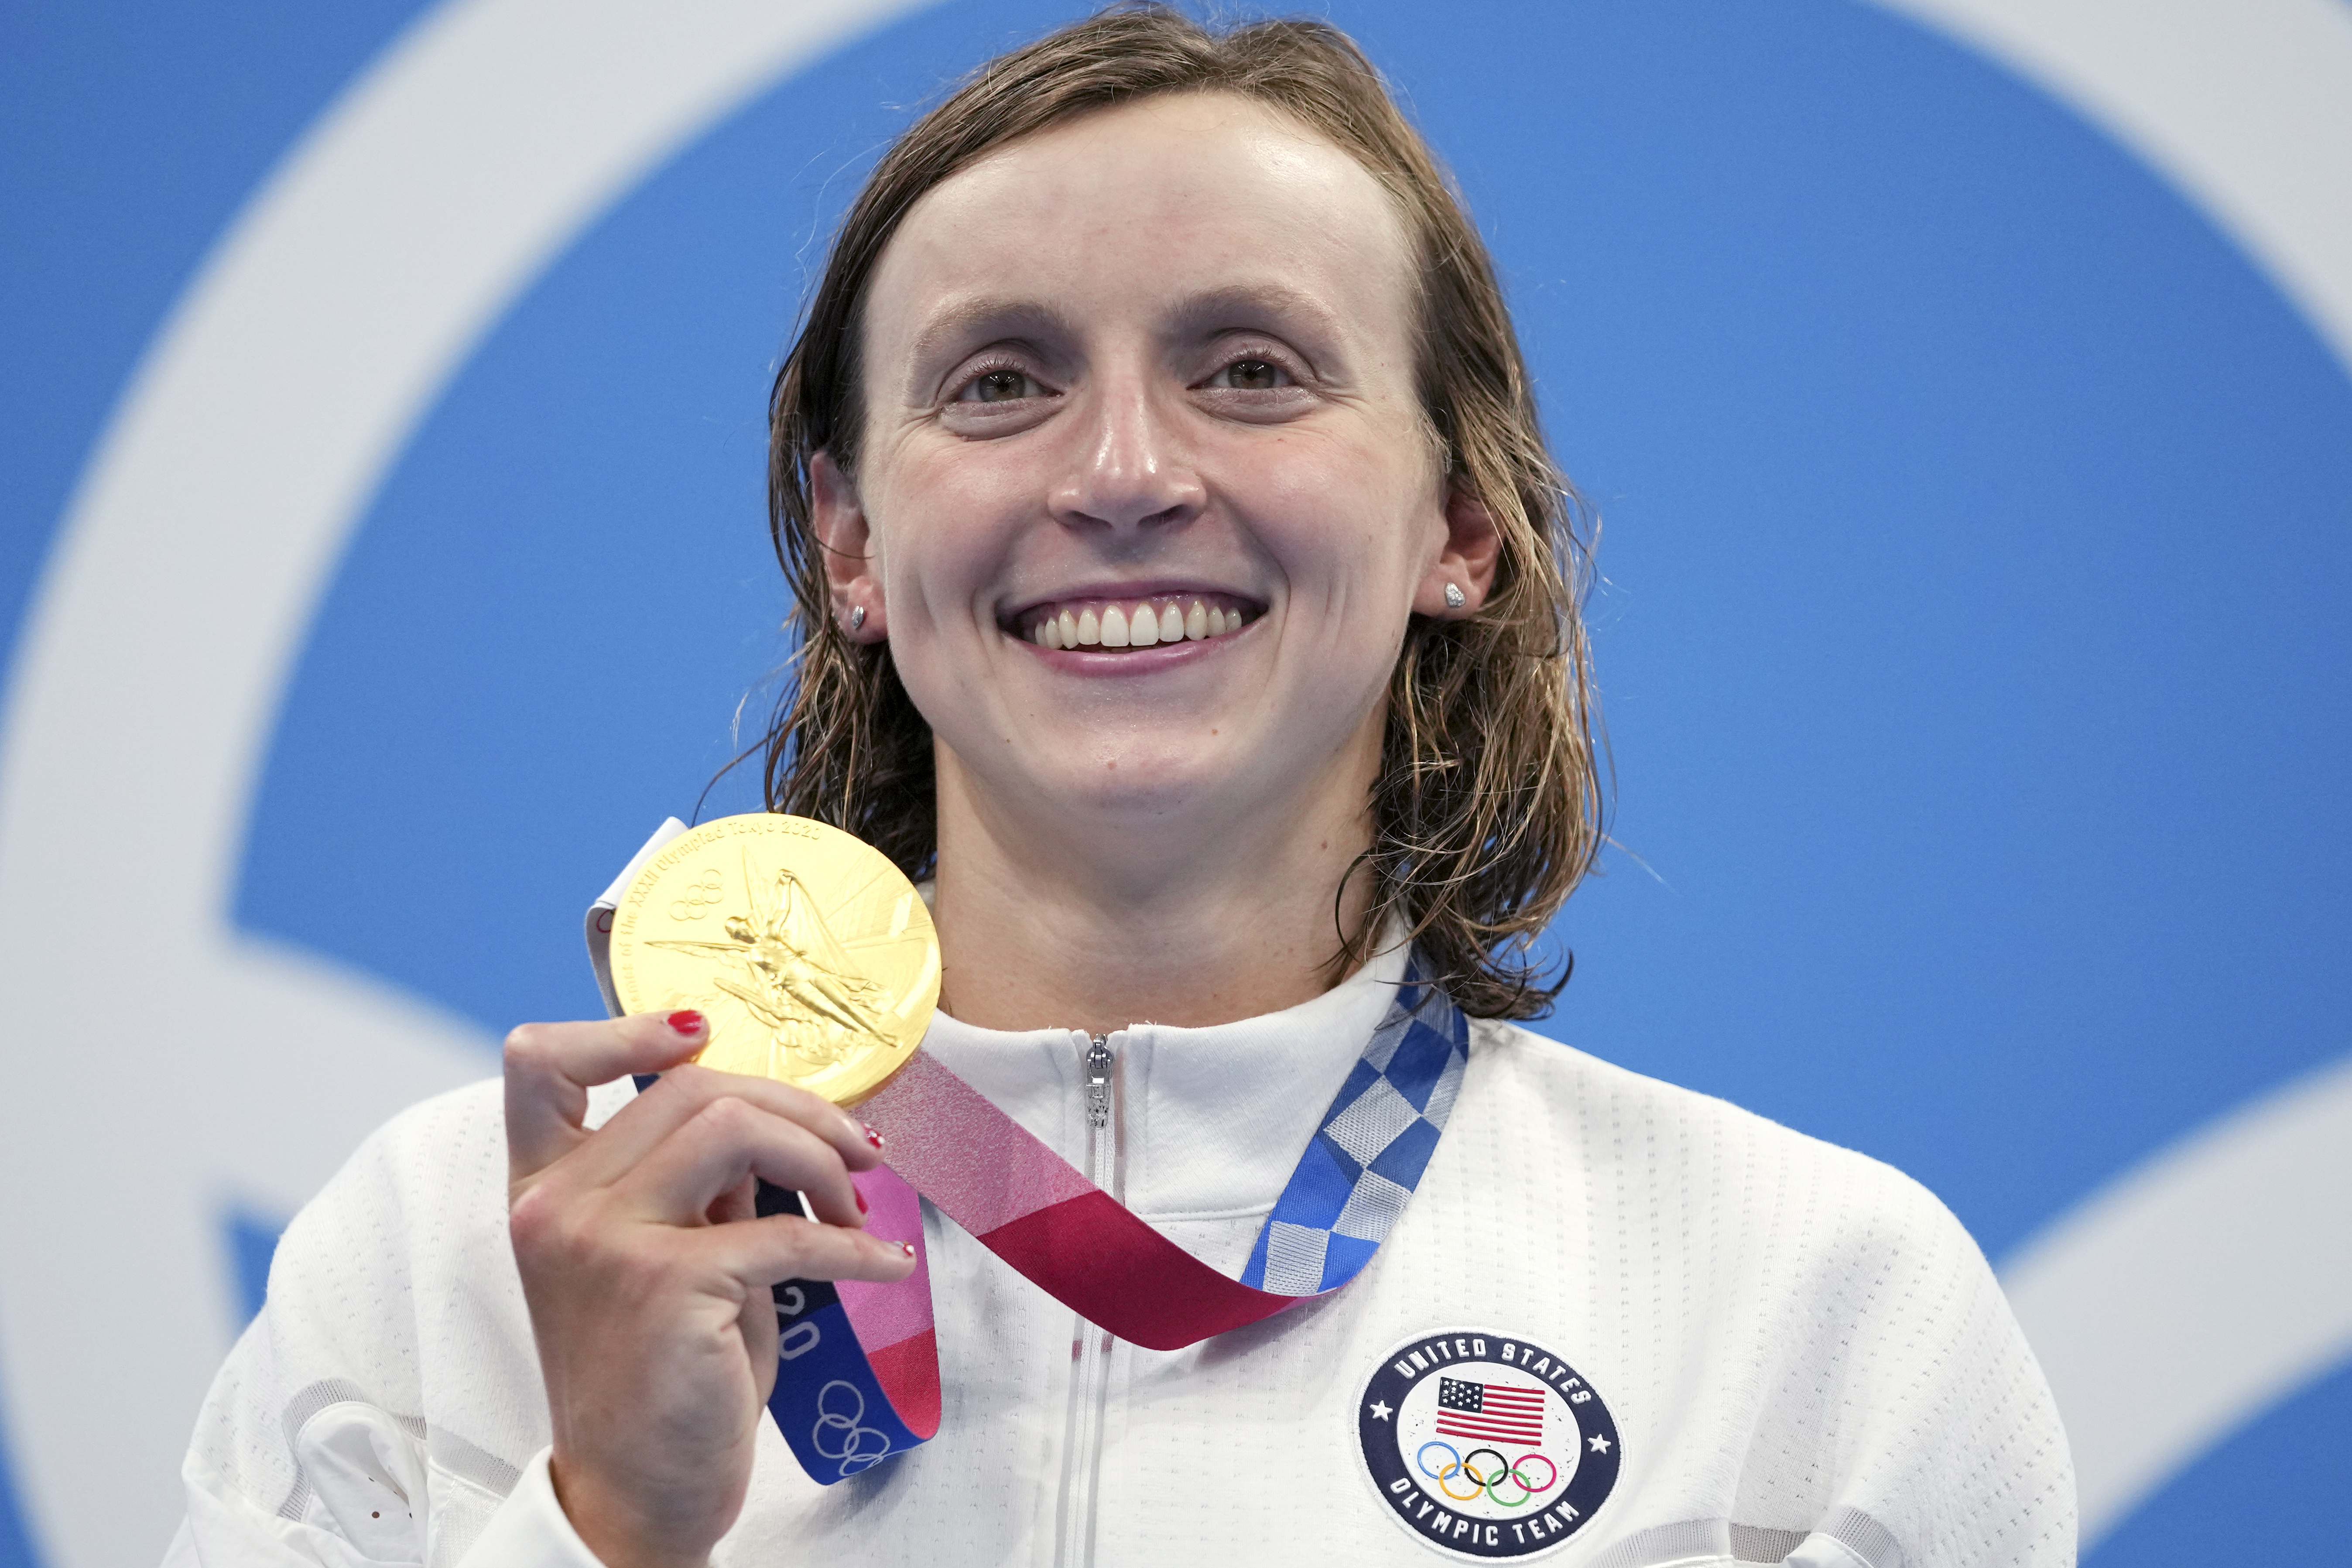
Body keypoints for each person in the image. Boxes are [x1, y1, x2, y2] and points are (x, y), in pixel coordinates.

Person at [165, 9, 2075, 1566]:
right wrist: (601, 1532)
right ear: (848, 540)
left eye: (1251, 369)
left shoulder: (1811, 1304)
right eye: (997, 383)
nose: (1122, 471)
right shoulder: (460, 1253)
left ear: (1459, 523)